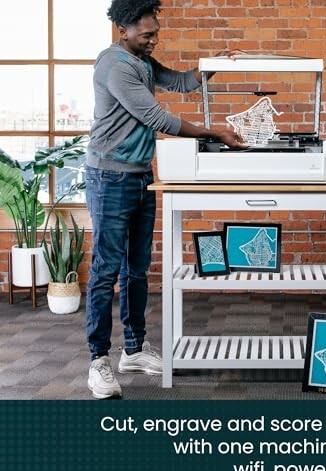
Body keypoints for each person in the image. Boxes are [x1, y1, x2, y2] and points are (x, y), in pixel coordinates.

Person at [86, 0, 246, 399]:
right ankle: (98, 361)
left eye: (156, 33)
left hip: (140, 176)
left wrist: (212, 65)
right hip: (109, 177)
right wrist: (216, 133)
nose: (154, 40)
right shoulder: (114, 65)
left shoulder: (141, 60)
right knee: (106, 270)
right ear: (123, 29)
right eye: (146, 34)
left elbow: (180, 82)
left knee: (137, 269)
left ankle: (135, 350)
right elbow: (157, 118)